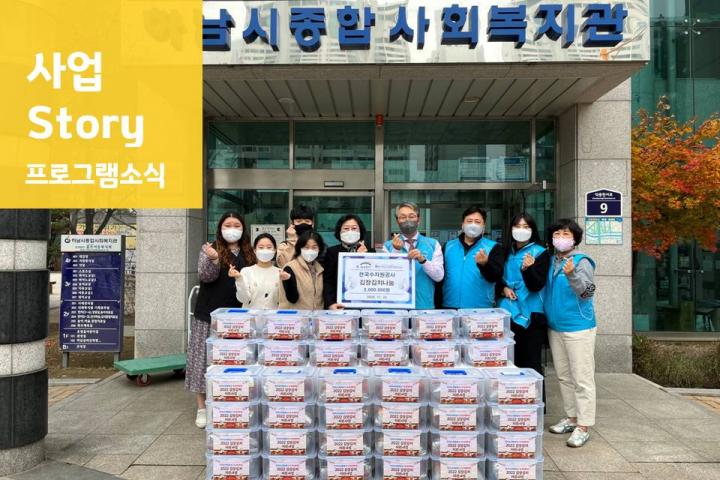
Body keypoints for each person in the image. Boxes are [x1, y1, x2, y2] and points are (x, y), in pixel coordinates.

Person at [186, 212, 255, 428]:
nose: (232, 229)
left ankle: (229, 403)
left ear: (243, 229)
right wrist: (214, 259)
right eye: (228, 225)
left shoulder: (250, 252)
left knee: (233, 362)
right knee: (203, 361)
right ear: (220, 228)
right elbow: (205, 276)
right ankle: (202, 408)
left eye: (236, 225)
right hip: (209, 314)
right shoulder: (209, 248)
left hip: (238, 317)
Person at [544, 218, 597, 448]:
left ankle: (583, 426)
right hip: (556, 326)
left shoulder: (582, 261)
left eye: (566, 234)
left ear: (575, 239)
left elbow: (588, 292)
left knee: (582, 378)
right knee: (564, 376)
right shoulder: (552, 260)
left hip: (578, 327)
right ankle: (571, 417)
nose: (561, 238)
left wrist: (572, 274)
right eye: (557, 234)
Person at [497, 213, 550, 377]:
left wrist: (527, 269)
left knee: (531, 364)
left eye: (526, 227)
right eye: (517, 226)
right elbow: (496, 278)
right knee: (510, 362)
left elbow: (536, 285)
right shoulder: (506, 251)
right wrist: (503, 288)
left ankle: (535, 394)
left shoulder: (540, 253)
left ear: (532, 230)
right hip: (508, 313)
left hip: (532, 315)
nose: (521, 230)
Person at [383, 202, 443, 309]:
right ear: (397, 221)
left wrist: (423, 260)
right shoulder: (387, 246)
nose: (407, 220)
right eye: (403, 217)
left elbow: (439, 277)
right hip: (397, 307)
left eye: (411, 216)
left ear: (418, 220)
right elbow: (384, 276)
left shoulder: (433, 244)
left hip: (424, 306)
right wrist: (396, 251)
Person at [442, 206, 504, 308]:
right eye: (469, 221)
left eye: (477, 222)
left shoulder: (493, 247)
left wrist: (485, 264)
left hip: (481, 308)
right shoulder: (448, 246)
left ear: (483, 226)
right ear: (462, 225)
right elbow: (440, 276)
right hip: (450, 306)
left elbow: (497, 277)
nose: (473, 225)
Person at [323, 214, 375, 309]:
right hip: (340, 304)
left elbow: (373, 278)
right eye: (346, 228)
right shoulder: (332, 252)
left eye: (354, 228)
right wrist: (330, 303)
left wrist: (363, 258)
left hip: (365, 304)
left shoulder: (370, 251)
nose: (350, 231)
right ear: (339, 232)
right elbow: (328, 281)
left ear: (360, 231)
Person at [228, 233, 281, 309]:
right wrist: (239, 279)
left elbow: (283, 300)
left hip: (272, 315)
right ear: (255, 250)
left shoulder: (280, 273)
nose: (265, 250)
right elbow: (243, 299)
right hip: (250, 315)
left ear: (275, 250)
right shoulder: (246, 271)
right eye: (261, 247)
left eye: (269, 247)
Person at [279, 231, 326, 310]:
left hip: (317, 315)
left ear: (319, 249)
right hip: (296, 316)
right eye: (306, 247)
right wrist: (288, 280)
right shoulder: (290, 267)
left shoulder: (320, 269)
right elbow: (292, 298)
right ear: (300, 248)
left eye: (314, 247)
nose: (310, 250)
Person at [277, 204, 315, 268]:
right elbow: (284, 265)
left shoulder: (319, 245)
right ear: (292, 223)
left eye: (307, 221)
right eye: (299, 221)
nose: (303, 224)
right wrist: (292, 239)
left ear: (312, 224)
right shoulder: (284, 245)